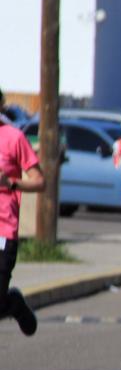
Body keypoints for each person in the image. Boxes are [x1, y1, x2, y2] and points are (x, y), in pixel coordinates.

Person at [0, 109, 45, 336]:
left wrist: (9, 182)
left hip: (4, 230)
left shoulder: (13, 137)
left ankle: (14, 304)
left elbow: (39, 182)